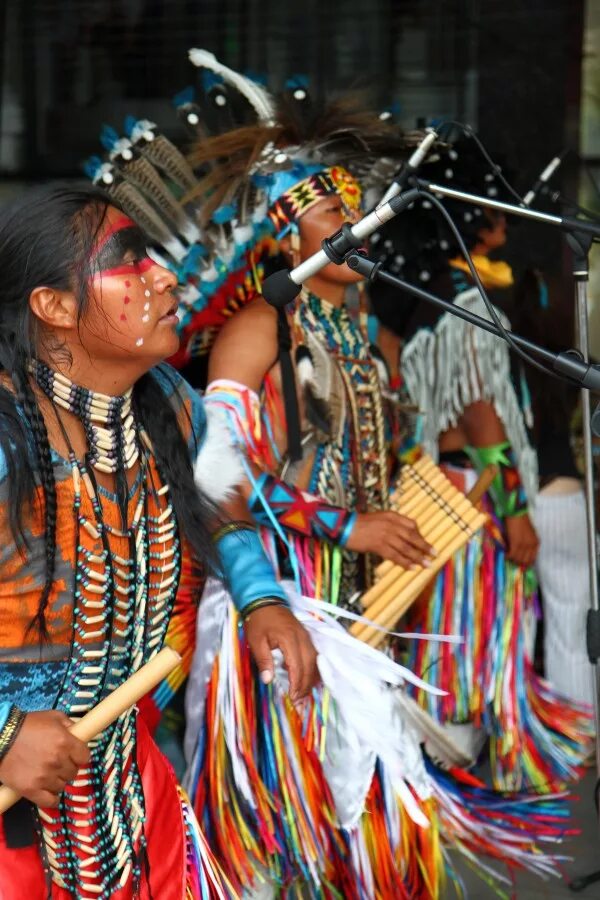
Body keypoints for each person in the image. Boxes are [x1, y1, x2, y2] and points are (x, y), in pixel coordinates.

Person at [0, 183, 321, 899]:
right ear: (52, 308)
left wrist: (261, 596)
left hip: (136, 803)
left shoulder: (169, 404)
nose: (166, 276)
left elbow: (218, 498)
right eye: (131, 264)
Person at [369, 134, 593, 789]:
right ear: (475, 223)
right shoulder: (465, 301)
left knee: (455, 627)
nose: (501, 225)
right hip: (476, 488)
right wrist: (518, 507)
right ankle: (451, 760)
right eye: (494, 213)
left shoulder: (424, 295)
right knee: (475, 626)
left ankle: (444, 760)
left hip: (441, 485)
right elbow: (480, 413)